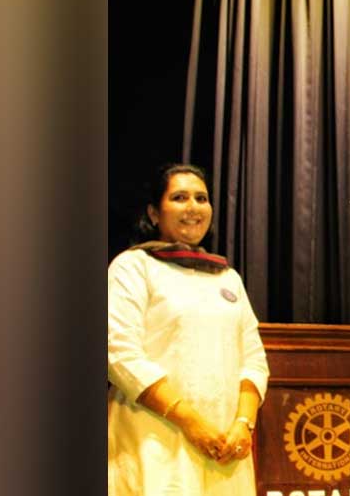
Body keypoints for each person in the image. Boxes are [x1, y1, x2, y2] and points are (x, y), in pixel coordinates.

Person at [108, 163, 270, 495]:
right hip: (155, 440)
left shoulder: (228, 279)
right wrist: (193, 424)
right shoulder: (133, 267)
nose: (193, 207)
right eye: (179, 198)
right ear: (154, 212)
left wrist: (243, 425)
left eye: (201, 198)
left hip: (225, 447)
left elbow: (254, 360)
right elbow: (119, 353)